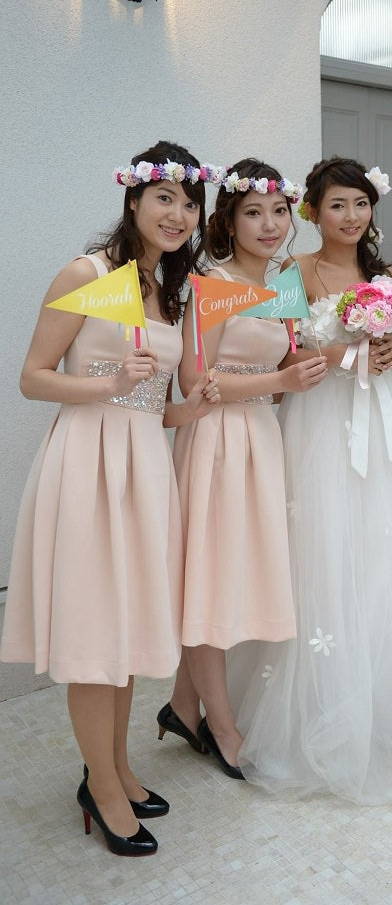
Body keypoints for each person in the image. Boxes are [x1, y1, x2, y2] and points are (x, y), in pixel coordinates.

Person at [234, 156, 392, 805]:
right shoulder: (294, 271)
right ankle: (317, 705)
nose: (351, 216)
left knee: (380, 550)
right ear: (313, 212)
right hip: (320, 421)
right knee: (323, 547)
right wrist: (341, 354)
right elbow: (286, 350)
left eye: (361, 203)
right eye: (337, 204)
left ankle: (384, 703)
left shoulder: (385, 275)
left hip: (382, 417)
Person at [0, 141, 218, 856]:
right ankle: (99, 784)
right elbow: (33, 377)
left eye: (189, 204)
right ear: (133, 200)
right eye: (164, 198)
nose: (177, 214)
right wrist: (107, 383)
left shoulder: (171, 292)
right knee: (96, 634)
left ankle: (118, 768)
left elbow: (155, 408)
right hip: (88, 468)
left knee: (123, 632)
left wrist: (193, 407)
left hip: (144, 468)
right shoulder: (87, 273)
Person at [155, 158, 327, 778]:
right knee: (210, 580)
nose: (270, 224)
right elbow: (193, 380)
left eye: (279, 211)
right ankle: (222, 728)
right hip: (215, 440)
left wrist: (359, 342)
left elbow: (286, 366)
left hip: (260, 438)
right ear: (228, 221)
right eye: (253, 212)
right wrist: (280, 381)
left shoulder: (282, 286)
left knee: (234, 574)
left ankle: (183, 706)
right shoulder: (212, 283)